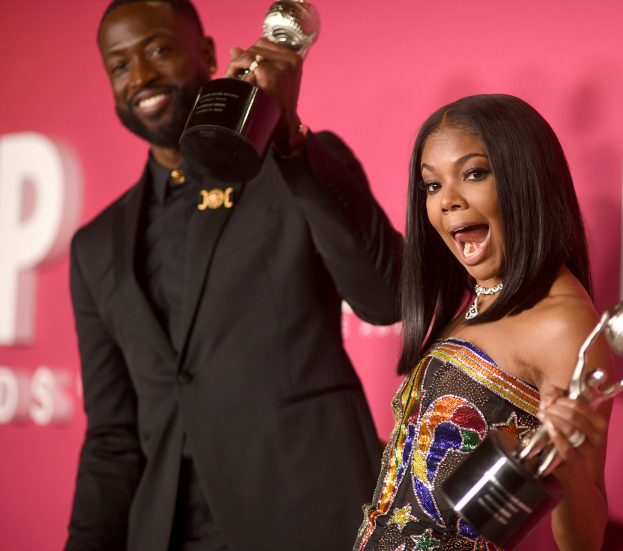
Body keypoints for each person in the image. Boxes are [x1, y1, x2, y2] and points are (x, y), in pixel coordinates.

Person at [65, 1, 402, 550]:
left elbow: (385, 298)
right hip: (166, 533)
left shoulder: (296, 167)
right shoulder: (95, 245)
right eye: (119, 65)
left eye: (157, 49)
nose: (141, 76)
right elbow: (113, 435)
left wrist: (290, 139)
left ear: (207, 54)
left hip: (307, 517)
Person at [354, 94, 613, 550]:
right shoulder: (478, 300)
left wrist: (567, 461)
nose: (448, 201)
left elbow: (585, 540)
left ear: (526, 180)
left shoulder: (563, 322)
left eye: (474, 174)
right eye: (432, 185)